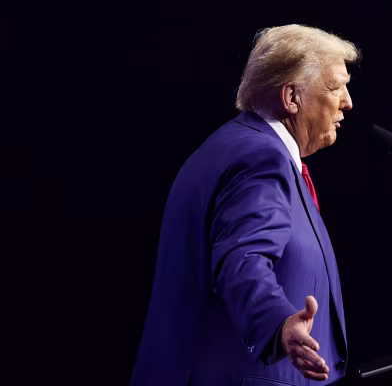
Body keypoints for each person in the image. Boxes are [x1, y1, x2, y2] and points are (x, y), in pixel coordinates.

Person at [131, 25, 358, 385]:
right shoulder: (260, 159)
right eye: (335, 87)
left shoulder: (233, 146)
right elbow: (242, 259)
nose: (347, 101)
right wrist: (278, 324)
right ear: (291, 97)